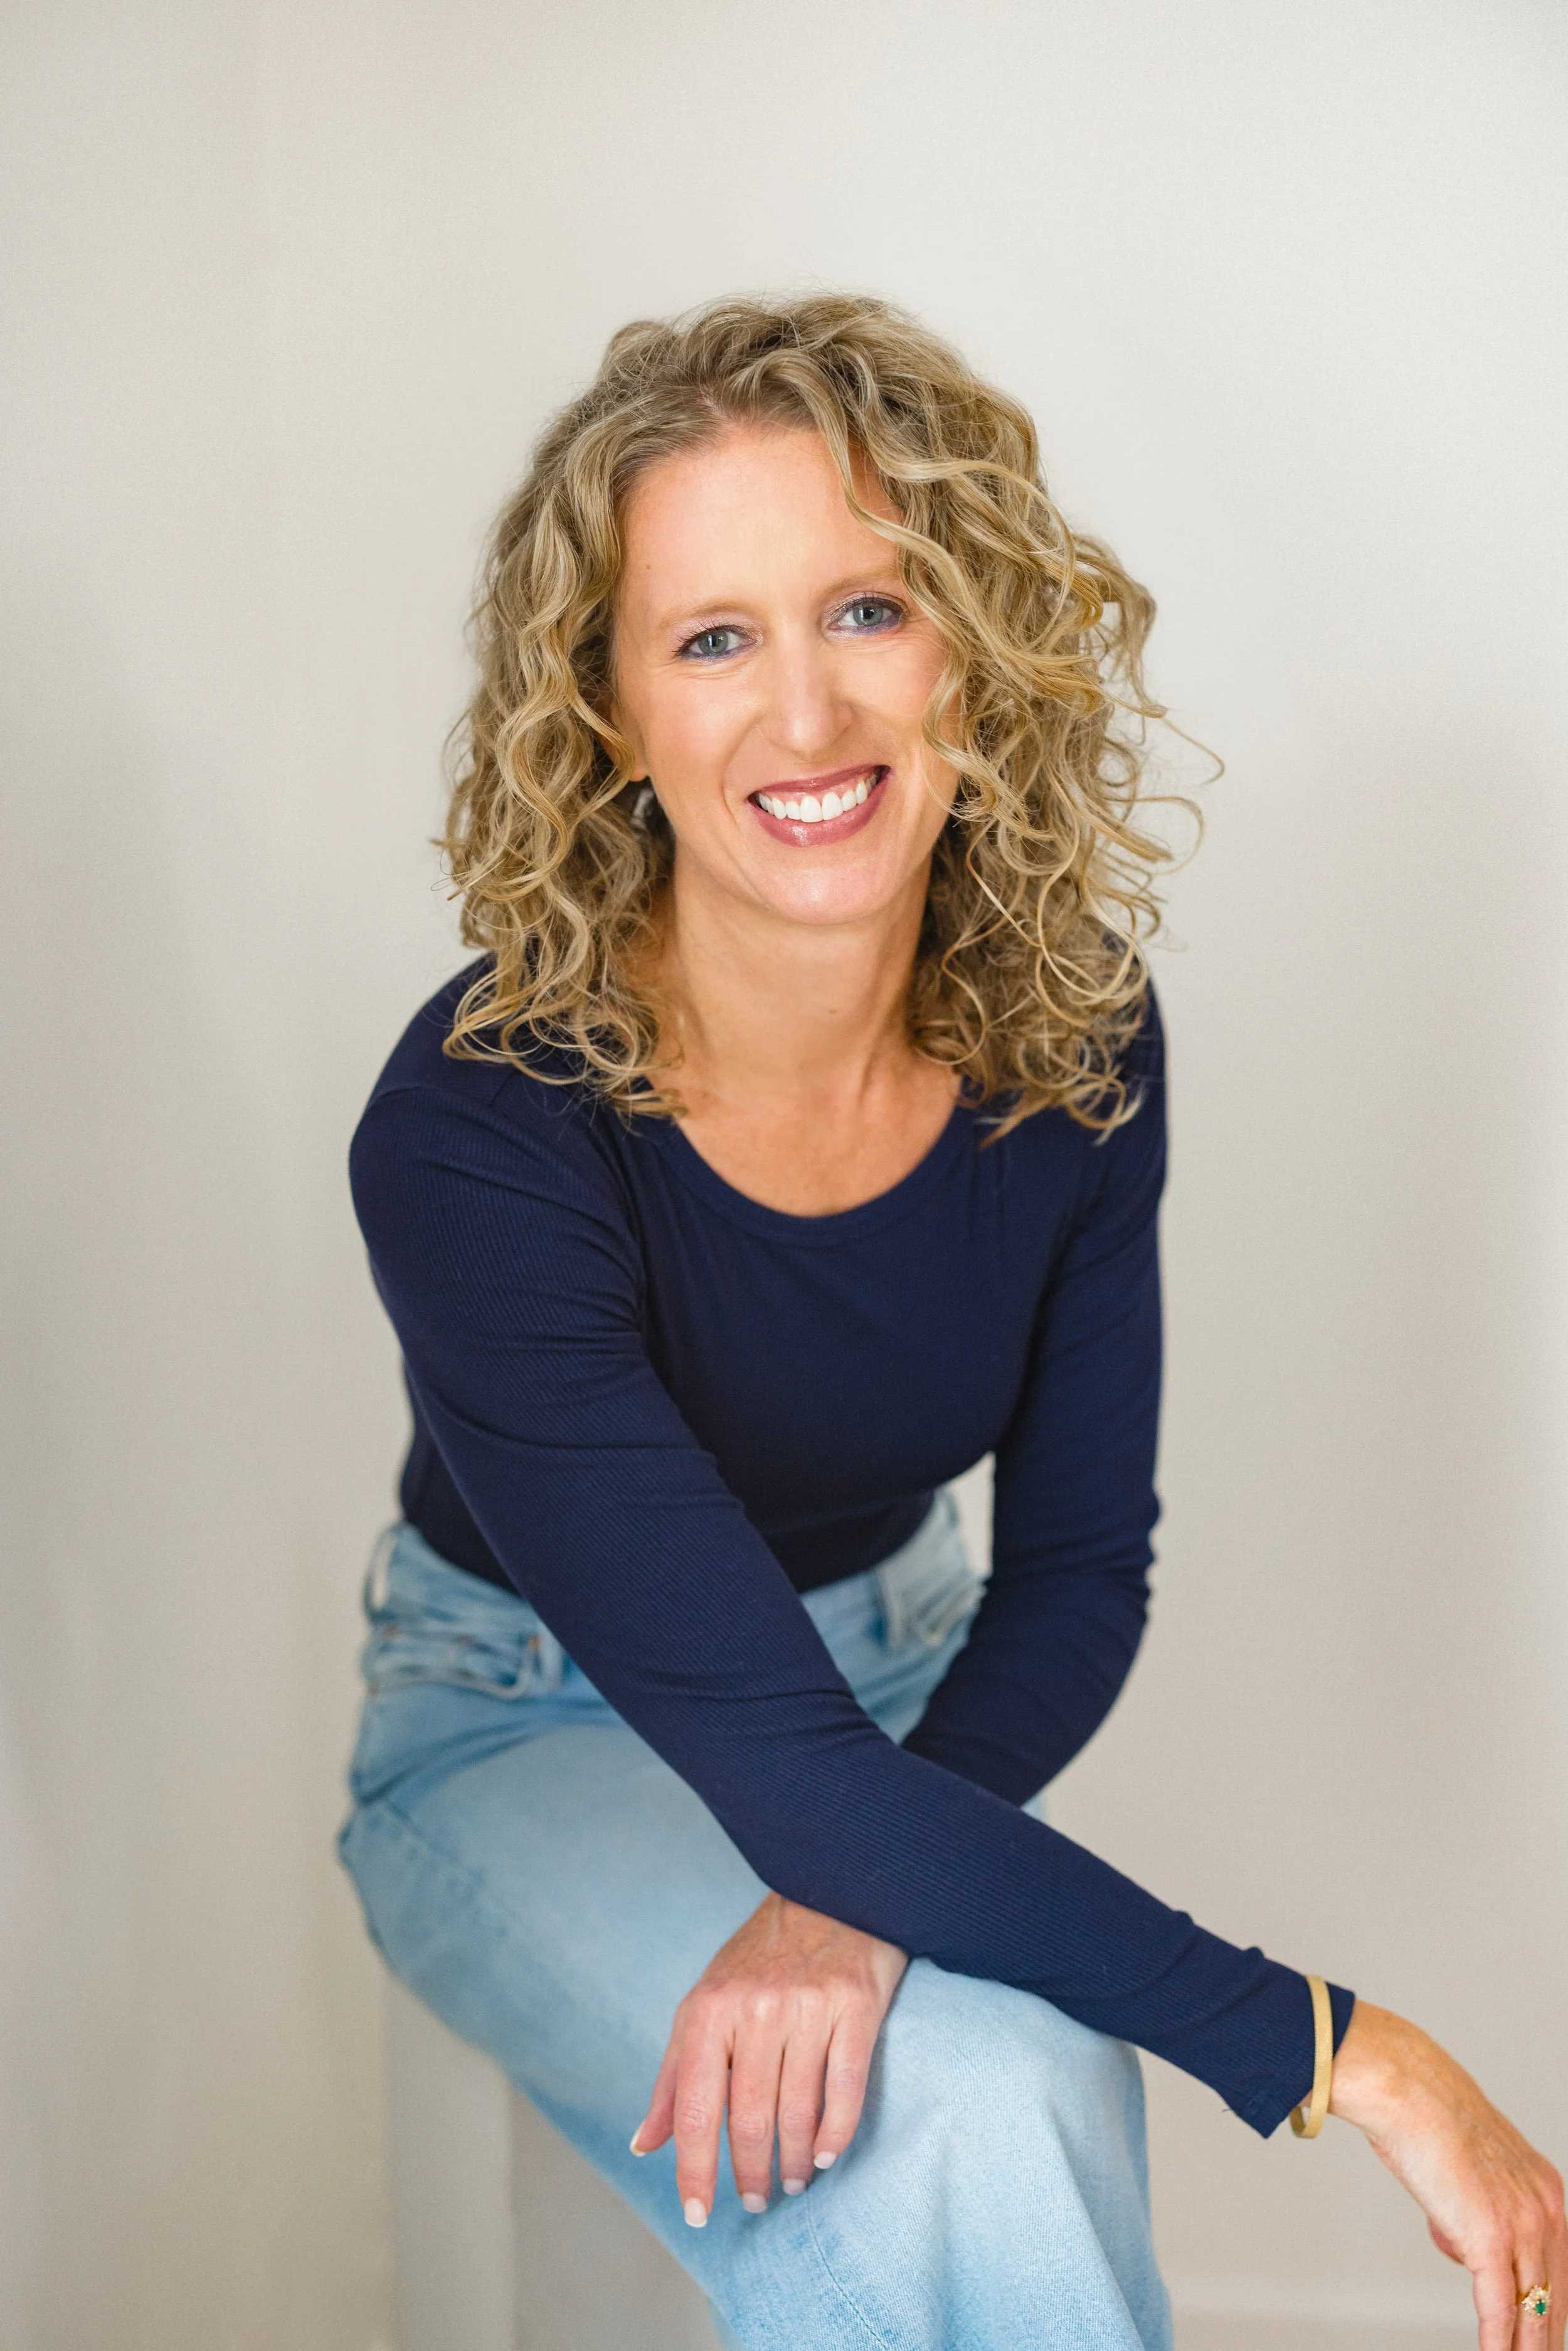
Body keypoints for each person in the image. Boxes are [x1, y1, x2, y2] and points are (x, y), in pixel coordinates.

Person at [339, 294, 1564, 2351]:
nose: (805, 712)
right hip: (524, 1720)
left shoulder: (1072, 1039)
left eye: (868, 608)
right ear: (608, 712)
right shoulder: (479, 1133)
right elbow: (788, 1763)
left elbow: (1075, 1573)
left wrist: (851, 1868)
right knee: (984, 2097)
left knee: (1019, 2071)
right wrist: (1342, 2049)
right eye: (710, 639)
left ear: (971, 650)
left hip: (899, 1688)